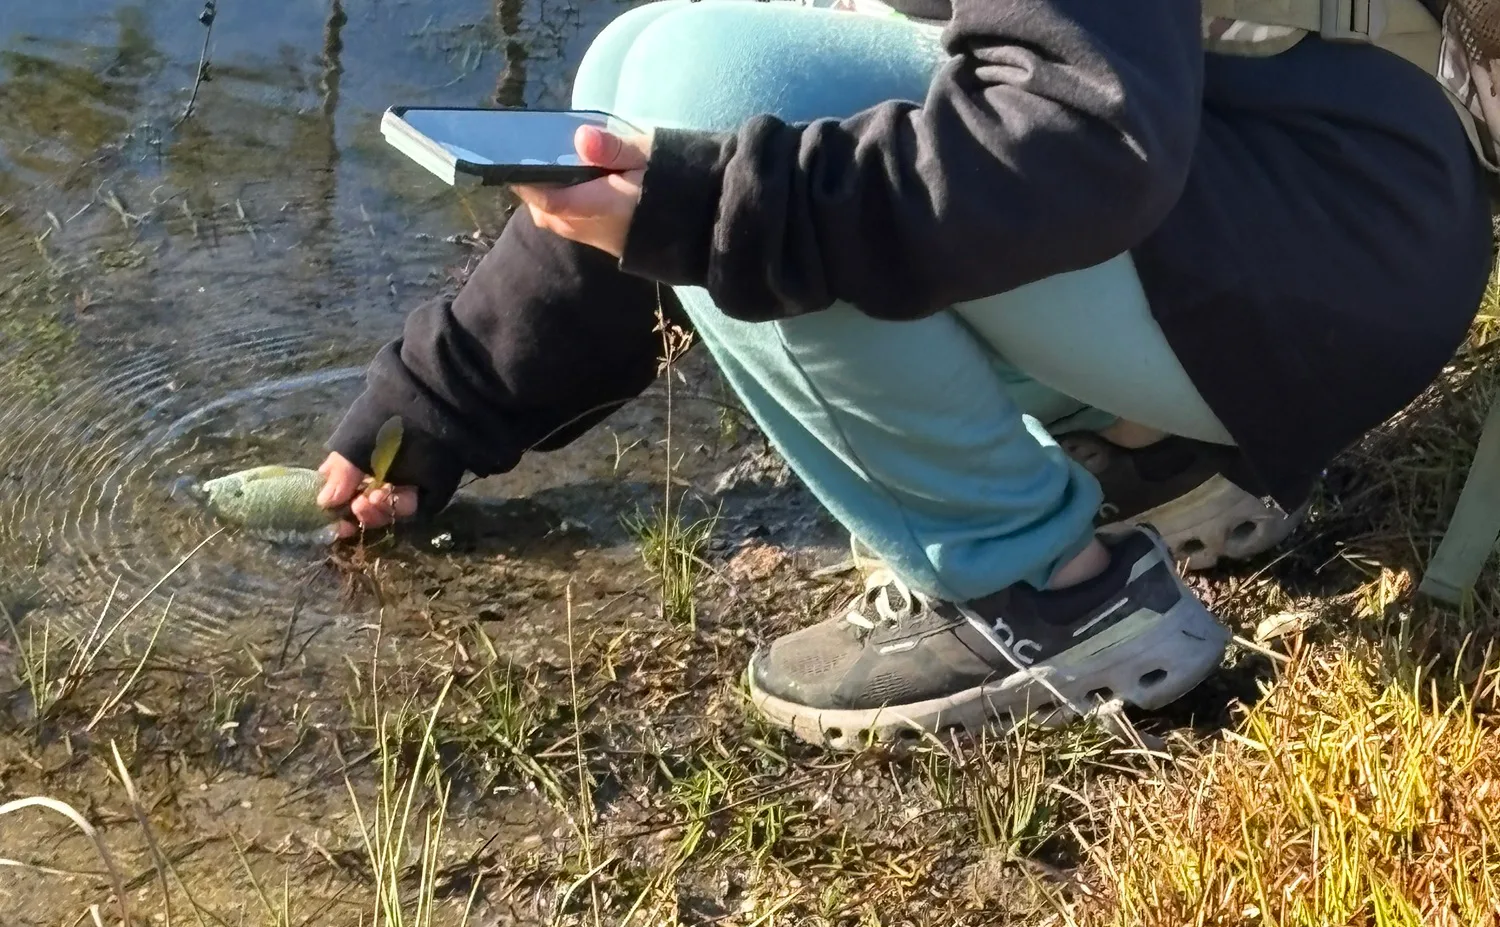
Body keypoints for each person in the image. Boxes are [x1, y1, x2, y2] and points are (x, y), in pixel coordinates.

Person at [317, 0, 1494, 749]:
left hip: (1334, 239)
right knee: (649, 54)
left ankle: (1042, 591)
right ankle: (1160, 458)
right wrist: (434, 404)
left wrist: (713, 204)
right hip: (1325, 213)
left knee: (702, 76)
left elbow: (1082, 139)